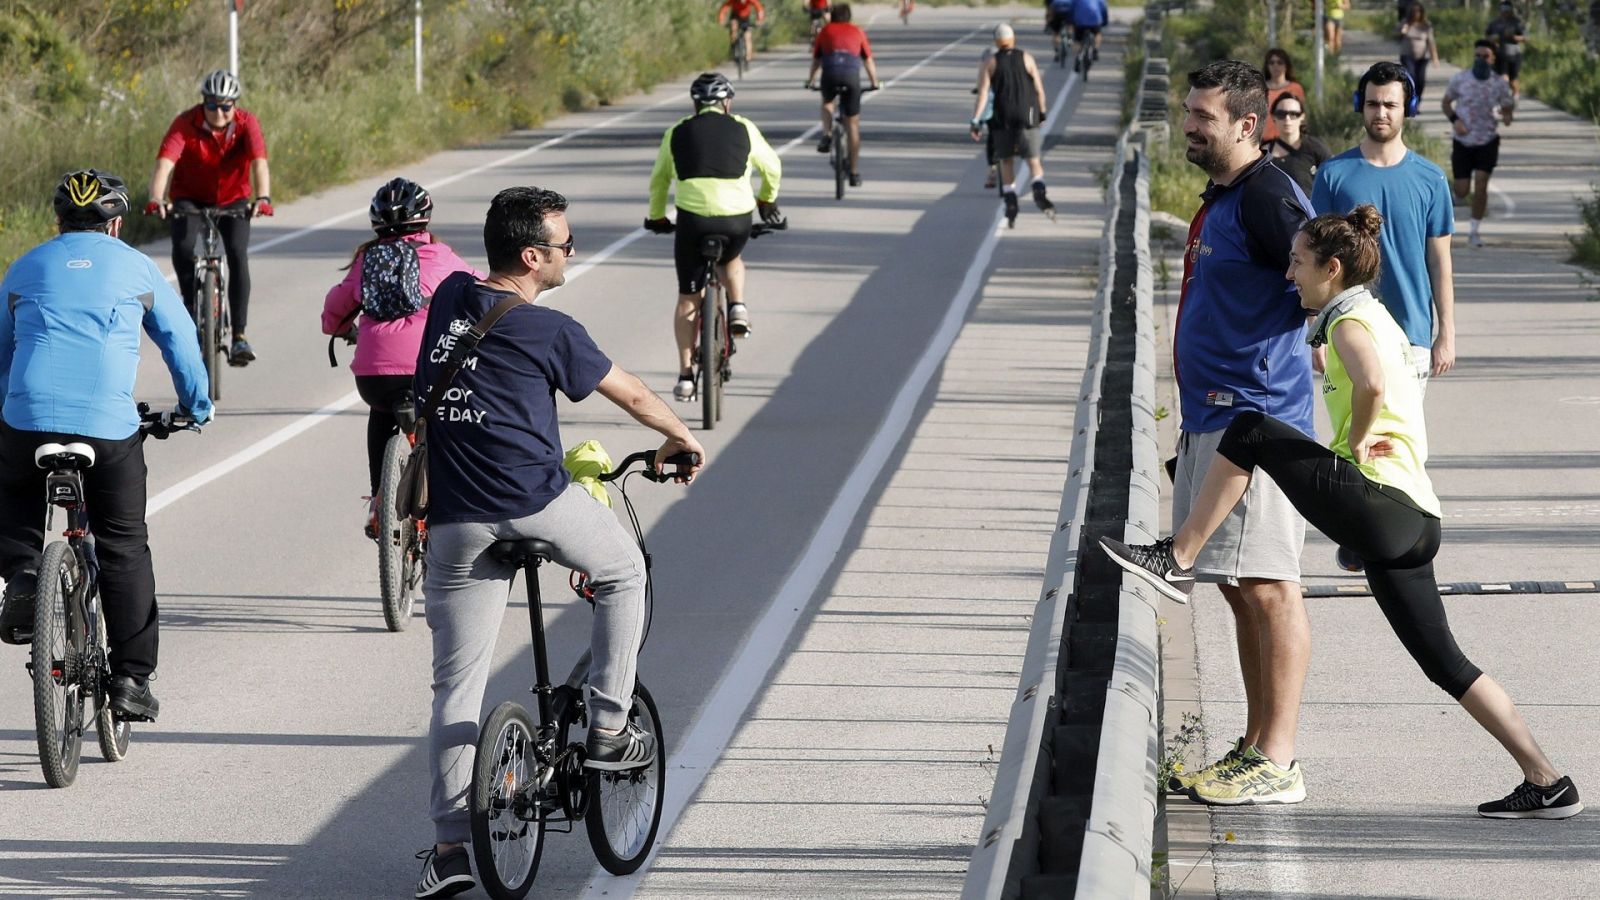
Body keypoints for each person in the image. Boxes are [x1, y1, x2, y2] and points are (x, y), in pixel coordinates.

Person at [1101, 206, 1584, 820]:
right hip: (1413, 521)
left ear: (1332, 269)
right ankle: (1547, 780)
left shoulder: (1349, 321)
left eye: (1298, 264)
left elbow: (1374, 385)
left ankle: (1178, 555)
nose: (1288, 275)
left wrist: (1354, 441)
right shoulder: (1369, 313)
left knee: (1249, 427)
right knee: (1447, 664)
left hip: (1382, 506)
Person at [414, 187, 707, 897]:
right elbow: (631, 394)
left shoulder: (451, 295)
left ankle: (451, 850)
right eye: (564, 243)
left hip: (453, 520)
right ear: (531, 256)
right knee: (624, 571)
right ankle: (608, 725)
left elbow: (452, 268)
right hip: (533, 503)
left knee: (456, 687)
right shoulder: (551, 331)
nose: (571, 252)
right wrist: (679, 437)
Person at [0, 170, 212, 723]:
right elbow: (181, 342)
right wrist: (195, 406)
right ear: (116, 224)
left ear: (58, 222)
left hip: (26, 422)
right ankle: (132, 681)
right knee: (123, 546)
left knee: (12, 496)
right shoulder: (137, 267)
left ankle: (24, 576)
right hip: (107, 429)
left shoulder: (25, 267)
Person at [1162, 60, 1316, 805]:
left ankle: (1279, 758)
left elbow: (1328, 276)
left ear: (1248, 126)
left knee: (1270, 587)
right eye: (1189, 111)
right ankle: (1256, 744)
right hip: (1209, 423)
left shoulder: (1266, 197)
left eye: (1204, 116)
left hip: (1254, 423)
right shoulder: (1224, 193)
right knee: (1235, 586)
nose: (1189, 124)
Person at [1314, 61, 1456, 574]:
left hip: (1411, 336)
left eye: (1390, 104)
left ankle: (1391, 540)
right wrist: (1313, 334)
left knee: (1396, 442)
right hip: (1350, 331)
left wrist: (1447, 332)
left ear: (1407, 109)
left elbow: (1440, 258)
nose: (1380, 112)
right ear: (1361, 106)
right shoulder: (1333, 175)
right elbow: (1317, 257)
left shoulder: (1429, 179)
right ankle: (1367, 535)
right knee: (1352, 437)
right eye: (1373, 103)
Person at [320, 178, 482, 537]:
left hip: (375, 376)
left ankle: (380, 500)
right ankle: (457, 502)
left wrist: (338, 328)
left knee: (381, 415)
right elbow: (482, 289)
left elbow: (335, 308)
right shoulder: (441, 256)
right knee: (448, 420)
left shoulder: (367, 260)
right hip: (429, 369)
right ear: (424, 219)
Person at [645, 73, 783, 402]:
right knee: (731, 258)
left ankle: (685, 376)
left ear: (695, 104)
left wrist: (657, 217)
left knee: (687, 299)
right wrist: (766, 200)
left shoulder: (676, 131)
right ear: (727, 103)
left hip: (692, 222)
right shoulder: (744, 127)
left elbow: (659, 179)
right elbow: (772, 167)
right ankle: (737, 307)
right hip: (736, 220)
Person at [146, 69, 273, 366]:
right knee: (184, 247)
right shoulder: (185, 123)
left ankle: (239, 335)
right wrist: (156, 198)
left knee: (238, 255)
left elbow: (259, 164)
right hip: (189, 198)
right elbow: (165, 164)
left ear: (234, 106)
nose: (219, 112)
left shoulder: (246, 124)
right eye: (212, 105)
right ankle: (192, 306)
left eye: (226, 106)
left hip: (234, 199)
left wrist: (263, 197)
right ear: (203, 102)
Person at [969, 24, 1056, 227]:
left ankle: (1010, 200)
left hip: (1003, 117)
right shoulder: (1027, 58)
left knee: (1006, 161)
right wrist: (1042, 113)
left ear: (996, 42)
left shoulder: (990, 62)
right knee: (1033, 160)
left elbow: (982, 94)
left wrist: (975, 120)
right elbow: (1039, 89)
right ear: (1013, 38)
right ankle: (1038, 188)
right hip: (1027, 114)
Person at [1441, 40, 1515, 248]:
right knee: (1463, 190)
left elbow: (1507, 108)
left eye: (1485, 56)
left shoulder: (1499, 83)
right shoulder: (1460, 79)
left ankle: (1474, 231)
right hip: (1463, 140)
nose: (1481, 60)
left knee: (1481, 184)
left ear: (1492, 59)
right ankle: (1454, 193)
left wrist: (1507, 116)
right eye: (1478, 55)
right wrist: (1456, 121)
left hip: (1487, 140)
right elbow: (1446, 103)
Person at [807, 2, 882, 185]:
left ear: (832, 16)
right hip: (851, 78)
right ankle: (854, 174)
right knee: (853, 124)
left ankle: (827, 134)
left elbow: (816, 61)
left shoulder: (825, 31)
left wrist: (811, 81)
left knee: (827, 102)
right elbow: (868, 61)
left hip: (830, 75)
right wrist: (875, 83)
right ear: (849, 17)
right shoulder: (858, 32)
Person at [1262, 93, 1331, 194]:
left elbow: (1332, 180)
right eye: (1281, 114)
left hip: (1310, 208)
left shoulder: (1316, 148)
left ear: (1302, 117)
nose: (1287, 119)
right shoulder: (1263, 152)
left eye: (1293, 114)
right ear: (1273, 117)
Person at [1260, 48, 1305, 143]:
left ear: (1286, 65)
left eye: (1279, 62)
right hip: (1264, 140)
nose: (1275, 66)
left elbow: (1300, 115)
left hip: (1289, 140)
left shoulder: (1295, 88)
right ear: (1267, 66)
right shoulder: (1259, 88)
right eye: (1271, 62)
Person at [1398, 3, 1440, 101]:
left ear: (1421, 13)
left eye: (1418, 11)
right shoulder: (1405, 23)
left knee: (1420, 81)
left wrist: (1435, 58)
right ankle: (1409, 99)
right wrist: (1403, 30)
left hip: (1422, 57)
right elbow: (1395, 34)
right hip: (1407, 55)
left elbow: (1431, 42)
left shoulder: (1426, 25)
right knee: (1411, 77)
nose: (1416, 13)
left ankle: (1417, 102)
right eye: (1413, 11)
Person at [1485, 1, 1525, 96]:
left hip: (1514, 55)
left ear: (1511, 10)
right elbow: (1486, 36)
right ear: (1499, 10)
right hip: (1498, 54)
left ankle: (1515, 96)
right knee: (1501, 77)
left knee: (1513, 79)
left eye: (1507, 10)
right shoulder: (1494, 23)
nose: (1505, 12)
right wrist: (1493, 38)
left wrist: (1513, 37)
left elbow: (1524, 38)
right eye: (1503, 10)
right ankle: (1503, 97)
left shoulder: (1517, 22)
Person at [1071, 0, 1109, 72]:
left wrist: (1071, 21)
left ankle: (1077, 58)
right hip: (1095, 20)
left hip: (1080, 22)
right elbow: (1104, 9)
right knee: (1097, 34)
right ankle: (1095, 50)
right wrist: (1105, 22)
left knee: (1077, 41)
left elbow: (1072, 9)